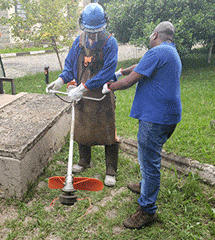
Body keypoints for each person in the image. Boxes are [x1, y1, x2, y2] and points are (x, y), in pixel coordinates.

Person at [102, 21, 182, 229]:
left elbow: (129, 82)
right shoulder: (169, 51)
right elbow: (139, 67)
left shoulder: (156, 52)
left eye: (150, 35)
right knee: (149, 157)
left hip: (155, 118)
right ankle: (145, 186)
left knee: (149, 161)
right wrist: (120, 71)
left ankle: (147, 210)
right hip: (168, 116)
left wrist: (109, 86)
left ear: (155, 35)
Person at [46, 3, 119, 187]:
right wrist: (61, 79)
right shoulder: (78, 41)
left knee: (108, 131)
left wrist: (86, 86)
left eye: (96, 31)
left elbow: (108, 71)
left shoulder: (110, 42)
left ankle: (110, 171)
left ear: (104, 26)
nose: (92, 35)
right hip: (82, 95)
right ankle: (84, 161)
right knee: (81, 127)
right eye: (89, 31)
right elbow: (70, 63)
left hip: (101, 94)